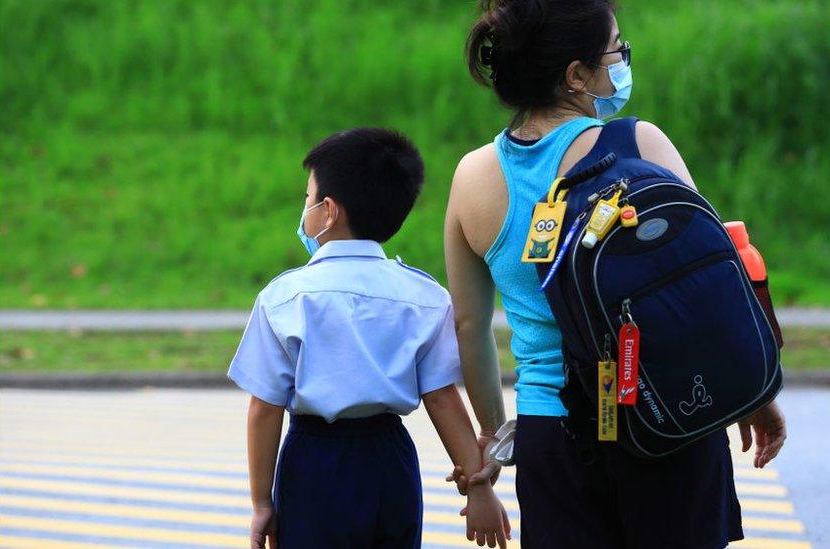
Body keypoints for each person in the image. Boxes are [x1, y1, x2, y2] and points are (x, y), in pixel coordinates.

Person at [443, 1, 788, 548]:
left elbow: (468, 324)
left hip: (549, 430)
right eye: (616, 49)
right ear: (576, 75)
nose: (622, 60)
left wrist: (492, 432)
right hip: (665, 410)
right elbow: (710, 287)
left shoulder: (473, 178)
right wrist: (753, 394)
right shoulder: (639, 145)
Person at [227, 127, 511, 549]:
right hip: (390, 459)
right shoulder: (424, 297)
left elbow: (264, 410)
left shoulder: (285, 298)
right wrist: (478, 486)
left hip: (313, 461)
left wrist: (261, 504)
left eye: (307, 200)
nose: (304, 211)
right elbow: (442, 398)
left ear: (328, 211)